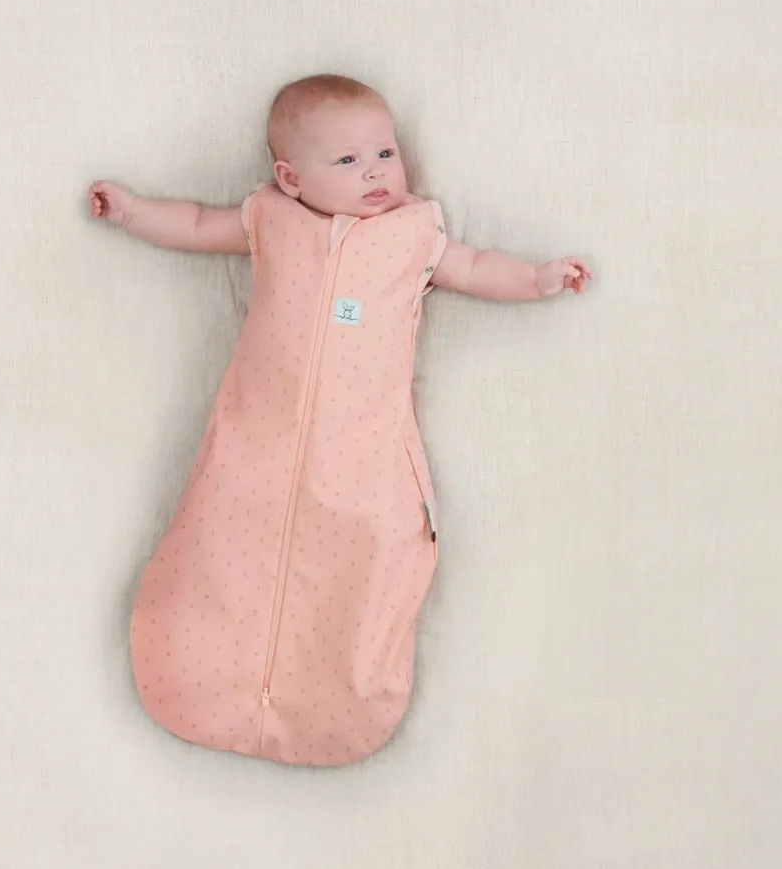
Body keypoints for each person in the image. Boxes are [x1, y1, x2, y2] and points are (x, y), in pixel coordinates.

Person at [87, 74, 594, 766]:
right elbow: (198, 224)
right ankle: (208, 684)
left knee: (355, 566)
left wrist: (535, 280)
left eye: (385, 154)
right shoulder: (270, 217)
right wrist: (133, 212)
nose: (376, 173)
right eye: (348, 161)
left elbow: (475, 266)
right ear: (291, 178)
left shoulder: (414, 233)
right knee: (228, 550)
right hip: (256, 442)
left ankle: (324, 706)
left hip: (363, 456)